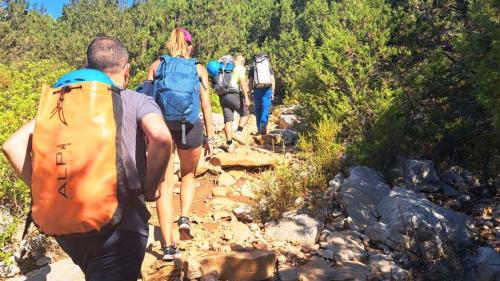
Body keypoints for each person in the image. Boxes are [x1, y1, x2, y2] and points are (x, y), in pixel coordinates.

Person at [2, 36, 172, 280]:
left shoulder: (61, 105)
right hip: (121, 224)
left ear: (89, 68)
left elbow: (12, 146)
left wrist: (47, 192)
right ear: (127, 70)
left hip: (68, 226)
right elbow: (162, 138)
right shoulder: (137, 100)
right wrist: (151, 188)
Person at [147, 28, 215, 261]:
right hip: (191, 127)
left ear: (169, 44)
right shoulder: (198, 69)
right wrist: (210, 137)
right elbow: (205, 105)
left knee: (164, 184)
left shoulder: (157, 66)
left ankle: (167, 247)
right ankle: (184, 218)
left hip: (162, 127)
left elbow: (146, 102)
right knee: (188, 174)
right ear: (190, 46)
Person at [219, 54, 250, 152]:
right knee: (246, 113)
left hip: (222, 95)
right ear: (242, 62)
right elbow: (242, 83)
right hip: (233, 94)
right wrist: (246, 97)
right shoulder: (240, 68)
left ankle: (229, 145)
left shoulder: (226, 68)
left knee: (228, 120)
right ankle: (238, 132)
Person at [249, 52, 275, 135]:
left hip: (257, 90)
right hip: (267, 89)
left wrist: (250, 92)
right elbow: (272, 79)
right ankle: (264, 123)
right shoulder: (268, 67)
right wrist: (273, 91)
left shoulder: (253, 68)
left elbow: (250, 81)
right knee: (266, 107)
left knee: (258, 109)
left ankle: (259, 128)